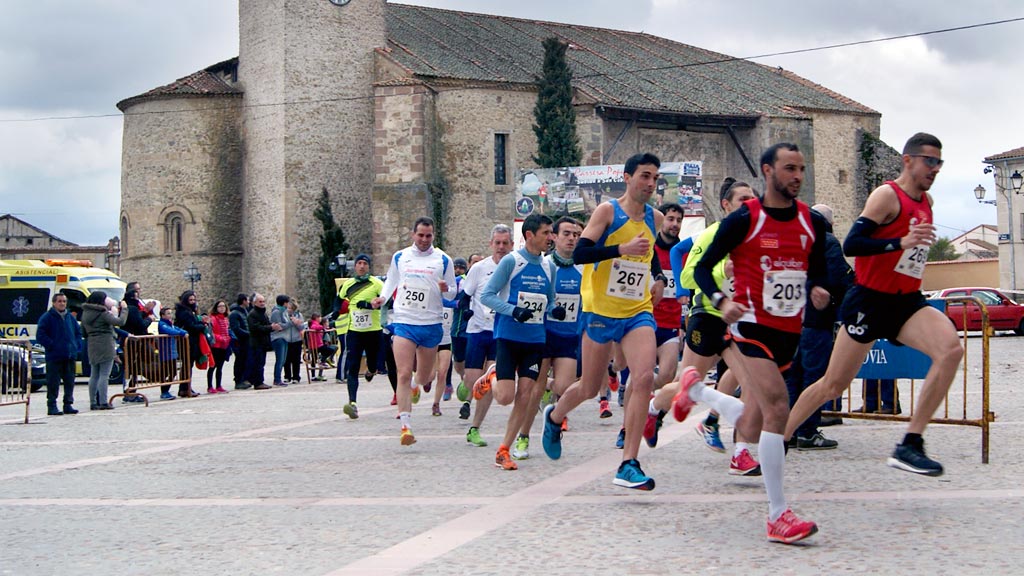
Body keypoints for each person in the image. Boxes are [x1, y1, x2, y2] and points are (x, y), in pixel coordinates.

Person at [785, 132, 961, 477]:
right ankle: (780, 437)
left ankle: (910, 443)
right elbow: (853, 244)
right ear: (908, 160)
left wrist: (914, 247)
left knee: (950, 350)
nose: (935, 169)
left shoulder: (927, 202)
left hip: (906, 301)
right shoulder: (886, 196)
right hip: (869, 300)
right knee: (832, 385)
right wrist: (900, 241)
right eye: (929, 161)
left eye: (939, 162)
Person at [684, 142, 829, 543]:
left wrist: (818, 289)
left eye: (801, 169)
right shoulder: (746, 219)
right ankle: (777, 514)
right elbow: (701, 268)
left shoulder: (809, 221)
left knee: (759, 413)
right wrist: (720, 300)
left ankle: (699, 392)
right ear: (768, 171)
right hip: (750, 327)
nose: (797, 176)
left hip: (789, 331)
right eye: (789, 168)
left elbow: (817, 269)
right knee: (778, 407)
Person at [540, 152, 667, 491]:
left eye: (654, 177)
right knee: (587, 386)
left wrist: (659, 280)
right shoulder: (608, 211)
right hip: (600, 310)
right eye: (644, 176)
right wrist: (619, 249)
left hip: (637, 310)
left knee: (642, 378)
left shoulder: (655, 217)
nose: (650, 183)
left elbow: (650, 255)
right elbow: (579, 255)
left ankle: (628, 462)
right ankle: (553, 417)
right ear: (627, 177)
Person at [648, 178, 759, 476]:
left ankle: (741, 453)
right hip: (708, 316)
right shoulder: (712, 234)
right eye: (742, 200)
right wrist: (724, 270)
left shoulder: (756, 238)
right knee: (689, 383)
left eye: (753, 199)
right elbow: (686, 278)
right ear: (726, 205)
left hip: (741, 320)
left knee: (751, 384)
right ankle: (655, 407)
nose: (749, 205)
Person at [479, 213, 558, 470]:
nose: (551, 238)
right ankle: (492, 376)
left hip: (535, 340)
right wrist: (513, 310)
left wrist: (554, 309)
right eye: (546, 233)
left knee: (525, 395)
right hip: (509, 337)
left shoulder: (550, 266)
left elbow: (551, 299)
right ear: (529, 235)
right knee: (504, 397)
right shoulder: (512, 262)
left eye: (551, 232)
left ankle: (504, 449)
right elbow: (487, 296)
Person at [371, 216, 457, 446]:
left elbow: (452, 293)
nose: (424, 240)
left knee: (425, 376)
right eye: (420, 235)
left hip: (430, 324)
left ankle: (416, 386)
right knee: (403, 372)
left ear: (433, 236)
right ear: (413, 235)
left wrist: (445, 288)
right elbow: (391, 281)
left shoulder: (443, 259)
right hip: (405, 321)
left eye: (428, 236)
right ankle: (406, 426)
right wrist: (383, 298)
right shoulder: (401, 257)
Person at [784, 204, 853, 450]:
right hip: (817, 320)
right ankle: (808, 430)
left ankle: (788, 430)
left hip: (793, 320)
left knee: (794, 377)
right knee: (814, 377)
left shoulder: (793, 244)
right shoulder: (828, 242)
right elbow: (839, 277)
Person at [514, 216, 583, 460]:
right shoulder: (543, 265)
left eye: (576, 234)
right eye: (566, 233)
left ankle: (550, 394)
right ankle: (523, 437)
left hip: (568, 337)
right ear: (554, 236)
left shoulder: (583, 268)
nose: (572, 238)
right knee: (534, 390)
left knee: (565, 387)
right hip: (543, 335)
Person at [456, 225, 513, 445]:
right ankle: (465, 386)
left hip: (501, 332)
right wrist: (465, 309)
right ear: (491, 244)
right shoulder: (479, 268)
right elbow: (465, 295)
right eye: (497, 243)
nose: (501, 247)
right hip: (478, 330)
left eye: (505, 243)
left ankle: (474, 428)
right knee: (473, 380)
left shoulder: (516, 267)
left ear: (510, 244)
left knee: (489, 379)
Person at [338, 254, 384, 419]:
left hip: (373, 330)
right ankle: (353, 403)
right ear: (355, 266)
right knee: (353, 366)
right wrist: (337, 312)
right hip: (354, 331)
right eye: (359, 263)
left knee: (372, 363)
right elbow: (338, 300)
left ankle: (372, 371)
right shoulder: (348, 284)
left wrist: (370, 304)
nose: (362, 266)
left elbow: (387, 303)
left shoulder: (377, 283)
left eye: (365, 263)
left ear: (369, 266)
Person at [79, 291, 128, 410]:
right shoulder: (102, 313)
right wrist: (124, 310)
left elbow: (83, 331)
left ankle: (93, 402)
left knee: (94, 374)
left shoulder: (85, 313)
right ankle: (103, 401)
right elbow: (120, 322)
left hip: (92, 343)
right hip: (105, 343)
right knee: (104, 374)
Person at [36, 293, 83, 415]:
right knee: (53, 382)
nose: (62, 303)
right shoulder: (47, 317)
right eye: (60, 301)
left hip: (69, 354)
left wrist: (76, 345)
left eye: (64, 301)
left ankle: (68, 404)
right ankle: (52, 405)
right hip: (54, 356)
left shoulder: (70, 317)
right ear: (54, 303)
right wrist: (52, 345)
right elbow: (40, 335)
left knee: (69, 381)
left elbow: (78, 332)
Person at [174, 290, 207, 397]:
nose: (193, 302)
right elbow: (190, 326)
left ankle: (186, 387)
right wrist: (202, 326)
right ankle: (185, 388)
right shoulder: (184, 312)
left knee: (188, 365)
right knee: (187, 365)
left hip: (192, 341)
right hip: (186, 342)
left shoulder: (189, 311)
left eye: (194, 300)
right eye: (190, 300)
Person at [246, 293, 277, 390]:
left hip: (262, 342)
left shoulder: (262, 313)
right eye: (260, 301)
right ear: (254, 303)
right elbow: (256, 328)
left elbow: (265, 324)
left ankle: (259, 380)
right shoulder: (253, 314)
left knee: (261, 362)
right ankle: (258, 382)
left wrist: (272, 326)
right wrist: (270, 327)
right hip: (256, 342)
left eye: (263, 301)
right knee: (258, 363)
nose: (262, 303)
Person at [157, 306, 188, 400]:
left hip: (172, 352)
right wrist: (181, 334)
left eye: (171, 313)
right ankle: (164, 391)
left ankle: (166, 390)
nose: (170, 315)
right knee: (165, 372)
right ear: (162, 315)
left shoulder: (171, 324)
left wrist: (183, 332)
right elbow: (170, 331)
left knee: (173, 371)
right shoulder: (162, 324)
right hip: (165, 352)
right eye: (168, 313)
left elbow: (177, 329)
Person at [206, 299, 232, 394]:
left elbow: (227, 330)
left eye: (223, 306)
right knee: (213, 366)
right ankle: (210, 386)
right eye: (220, 306)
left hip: (224, 346)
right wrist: (221, 338)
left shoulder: (225, 319)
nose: (222, 308)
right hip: (215, 346)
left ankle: (218, 385)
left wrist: (228, 338)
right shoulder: (213, 319)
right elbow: (211, 332)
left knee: (220, 367)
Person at [268, 295, 293, 387]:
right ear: (284, 303)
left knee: (283, 360)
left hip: (284, 337)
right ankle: (277, 379)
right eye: (287, 302)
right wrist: (291, 323)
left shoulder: (284, 312)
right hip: (278, 338)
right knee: (280, 359)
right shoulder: (276, 312)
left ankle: (279, 378)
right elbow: (279, 326)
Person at [229, 294, 251, 389]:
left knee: (244, 360)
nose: (249, 302)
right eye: (248, 300)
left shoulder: (244, 312)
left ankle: (243, 379)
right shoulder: (235, 313)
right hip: (240, 341)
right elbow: (236, 328)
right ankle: (238, 380)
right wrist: (248, 334)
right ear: (243, 301)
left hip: (246, 340)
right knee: (240, 361)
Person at [283, 299, 306, 383]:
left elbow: (302, 327)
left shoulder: (299, 315)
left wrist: (297, 323)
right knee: (286, 359)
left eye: (290, 308)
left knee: (296, 359)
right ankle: (287, 376)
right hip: (287, 339)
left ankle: (296, 377)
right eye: (287, 307)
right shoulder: (284, 315)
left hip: (296, 339)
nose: (288, 309)